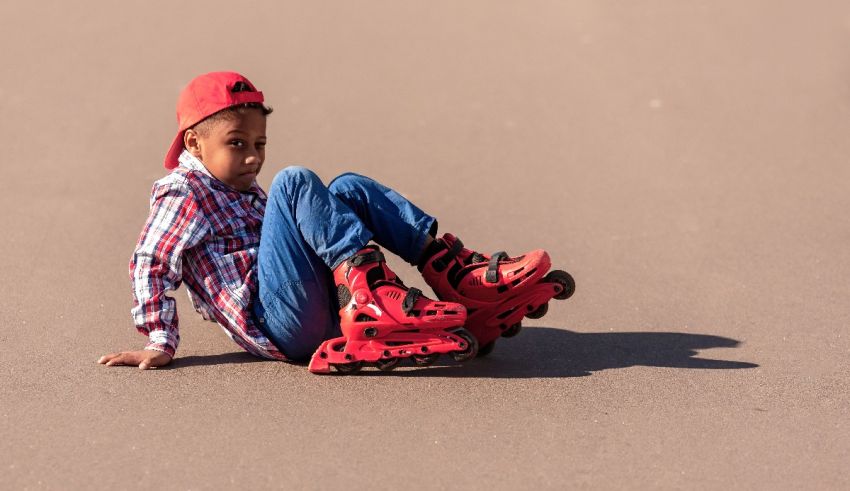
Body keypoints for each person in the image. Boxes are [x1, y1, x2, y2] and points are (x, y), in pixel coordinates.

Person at [98, 72, 571, 374]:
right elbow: (151, 263)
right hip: (277, 322)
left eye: (259, 143)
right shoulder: (185, 192)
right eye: (237, 143)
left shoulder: (240, 188)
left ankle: (455, 276)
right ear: (195, 145)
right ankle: (369, 301)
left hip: (311, 304)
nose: (253, 157)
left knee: (347, 187)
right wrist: (160, 339)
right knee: (296, 182)